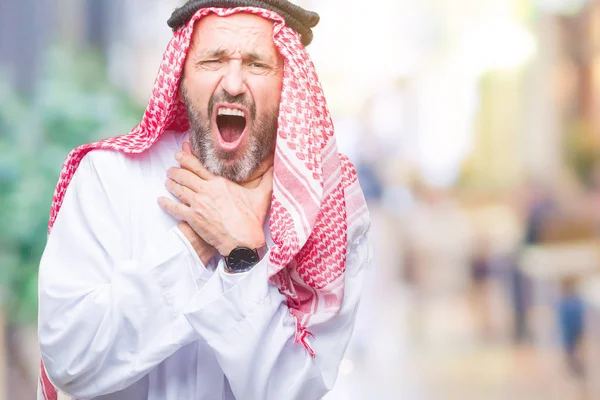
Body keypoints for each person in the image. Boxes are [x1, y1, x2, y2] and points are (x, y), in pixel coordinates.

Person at [36, 2, 370, 400]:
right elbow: (70, 360)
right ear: (181, 76)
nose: (232, 83)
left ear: (288, 85)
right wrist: (197, 241)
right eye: (213, 60)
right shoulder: (109, 179)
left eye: (257, 64)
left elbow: (294, 389)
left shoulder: (323, 203)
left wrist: (241, 252)